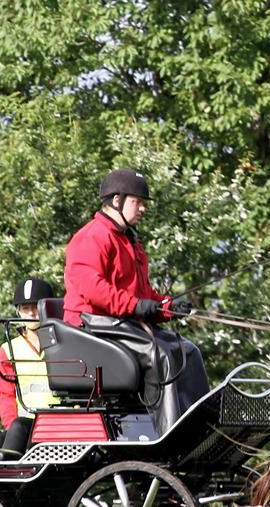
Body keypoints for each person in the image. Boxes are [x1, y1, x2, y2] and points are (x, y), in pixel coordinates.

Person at [63, 167, 208, 433]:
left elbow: (143, 295)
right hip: (91, 326)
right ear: (116, 200)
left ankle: (199, 428)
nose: (142, 208)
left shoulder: (129, 242)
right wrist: (135, 306)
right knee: (159, 354)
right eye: (137, 202)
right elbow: (93, 289)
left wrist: (167, 307)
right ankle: (168, 433)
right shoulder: (92, 236)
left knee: (187, 350)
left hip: (120, 323)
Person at [0, 277, 60, 453]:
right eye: (25, 308)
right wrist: (11, 426)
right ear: (18, 312)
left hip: (56, 421)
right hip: (25, 426)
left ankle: (11, 470)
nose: (31, 313)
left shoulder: (63, 343)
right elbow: (5, 395)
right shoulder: (9, 350)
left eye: (36, 307)